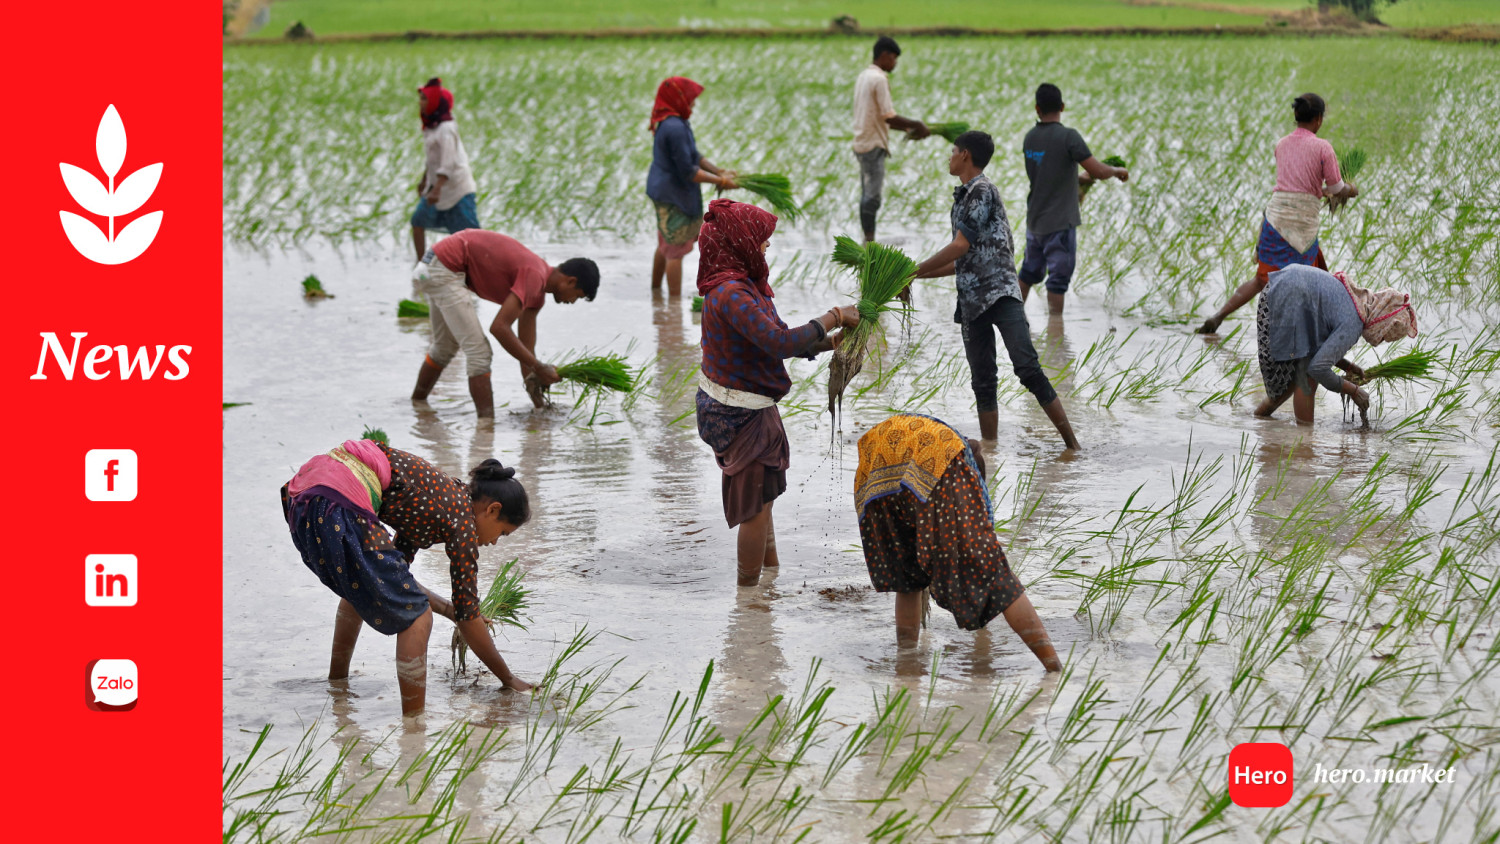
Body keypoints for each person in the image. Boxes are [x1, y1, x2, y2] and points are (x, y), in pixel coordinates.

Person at [282, 441, 534, 717]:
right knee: (418, 617)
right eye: (502, 533)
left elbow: (395, 581)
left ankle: (338, 686)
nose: (496, 542)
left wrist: (452, 611)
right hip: (340, 499)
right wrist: (509, 680)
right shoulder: (463, 520)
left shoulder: (440, 501)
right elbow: (468, 616)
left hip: (307, 493)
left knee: (363, 585)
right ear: (493, 510)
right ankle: (414, 727)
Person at [695, 199, 860, 587]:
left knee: (763, 497)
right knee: (755, 507)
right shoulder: (730, 294)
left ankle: (769, 579)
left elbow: (784, 336)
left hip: (747, 404)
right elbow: (776, 342)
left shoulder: (747, 287)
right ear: (740, 242)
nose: (766, 247)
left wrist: (829, 342)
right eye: (762, 240)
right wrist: (834, 315)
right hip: (736, 412)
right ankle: (749, 598)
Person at [914, 131, 1080, 450]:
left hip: (1001, 294)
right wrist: (913, 278)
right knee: (983, 383)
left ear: (964, 155)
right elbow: (964, 259)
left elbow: (959, 245)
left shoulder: (982, 190)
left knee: (1027, 367)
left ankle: (1073, 447)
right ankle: (990, 452)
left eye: (952, 151)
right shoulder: (962, 198)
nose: (948, 157)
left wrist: (914, 269)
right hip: (971, 300)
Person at [855, 414, 1062, 669]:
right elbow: (982, 542)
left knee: (907, 578)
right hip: (929, 455)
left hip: (875, 459)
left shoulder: (951, 441)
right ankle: (1053, 668)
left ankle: (906, 663)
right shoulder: (961, 462)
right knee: (995, 572)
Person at [1198, 93, 1359, 335]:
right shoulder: (1323, 147)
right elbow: (1336, 188)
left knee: (1262, 280)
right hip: (1302, 225)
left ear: (1297, 116)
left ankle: (1218, 316)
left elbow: (1296, 184)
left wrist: (1319, 191)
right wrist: (1351, 189)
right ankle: (1312, 338)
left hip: (1275, 220)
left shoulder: (1282, 144)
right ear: (1318, 119)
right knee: (1312, 284)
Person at [410, 229, 600, 417]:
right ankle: (486, 428)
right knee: (479, 354)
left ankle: (417, 404)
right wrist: (539, 367)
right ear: (570, 281)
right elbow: (499, 327)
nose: (572, 302)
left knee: (445, 346)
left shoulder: (537, 296)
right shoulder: (535, 276)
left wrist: (539, 405)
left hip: (434, 264)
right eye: (577, 296)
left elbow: (526, 351)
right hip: (445, 267)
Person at [1254, 263, 1417, 424]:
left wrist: (1347, 366)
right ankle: (1304, 438)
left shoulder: (1355, 303)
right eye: (1383, 337)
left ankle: (1261, 420)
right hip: (1284, 301)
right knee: (1306, 377)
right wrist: (1354, 391)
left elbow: (1318, 347)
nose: (1379, 341)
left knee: (1288, 382)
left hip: (1278, 290)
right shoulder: (1354, 322)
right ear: (1382, 324)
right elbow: (1318, 369)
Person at [1019, 83, 1129, 315]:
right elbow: (1098, 170)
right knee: (1058, 280)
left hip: (1035, 222)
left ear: (1037, 109)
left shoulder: (1030, 138)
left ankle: (1013, 318)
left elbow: (1048, 172)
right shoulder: (1069, 137)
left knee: (1028, 273)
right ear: (1063, 107)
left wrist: (1079, 177)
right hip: (1060, 224)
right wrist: (1117, 171)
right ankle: (1055, 329)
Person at [647, 77, 738, 298]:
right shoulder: (674, 127)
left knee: (665, 243)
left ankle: (656, 293)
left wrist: (719, 171)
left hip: (667, 190)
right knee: (675, 251)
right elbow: (689, 171)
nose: (694, 104)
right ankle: (674, 305)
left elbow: (694, 156)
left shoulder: (676, 122)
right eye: (691, 99)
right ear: (678, 98)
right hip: (672, 195)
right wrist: (722, 182)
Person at [852, 35, 930, 243]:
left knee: (866, 194)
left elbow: (882, 118)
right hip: (873, 144)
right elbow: (888, 115)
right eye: (894, 58)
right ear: (885, 55)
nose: (894, 63)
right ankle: (869, 240)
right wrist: (917, 124)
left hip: (862, 141)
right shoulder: (879, 79)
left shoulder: (864, 76)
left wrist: (907, 129)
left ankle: (867, 239)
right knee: (872, 197)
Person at [410, 78, 480, 262]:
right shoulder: (431, 126)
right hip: (435, 187)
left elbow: (448, 161)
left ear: (435, 103)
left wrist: (437, 188)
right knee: (418, 221)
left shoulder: (446, 128)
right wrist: (425, 180)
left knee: (470, 237)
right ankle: (421, 264)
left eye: (424, 99)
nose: (420, 102)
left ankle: (479, 268)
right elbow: (433, 158)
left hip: (457, 188)